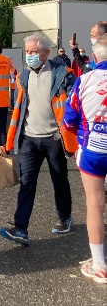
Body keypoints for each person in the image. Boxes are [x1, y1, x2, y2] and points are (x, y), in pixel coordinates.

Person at [0, 32, 77, 245]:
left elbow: (74, 100)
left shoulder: (62, 74)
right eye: (27, 51)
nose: (29, 56)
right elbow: (19, 109)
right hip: (30, 139)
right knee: (27, 183)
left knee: (59, 179)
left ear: (46, 53)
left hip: (54, 138)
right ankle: (20, 228)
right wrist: (12, 140)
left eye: (33, 52)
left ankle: (65, 217)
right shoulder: (23, 76)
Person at [63, 37, 107, 283]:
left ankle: (99, 265)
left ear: (95, 56)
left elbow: (69, 120)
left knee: (95, 203)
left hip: (93, 149)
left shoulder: (85, 80)